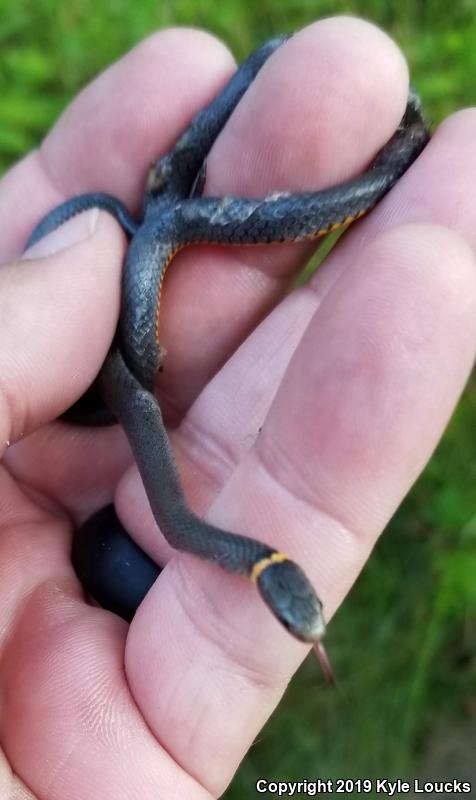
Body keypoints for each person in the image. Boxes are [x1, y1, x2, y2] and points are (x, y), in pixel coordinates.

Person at [0, 16, 475, 800]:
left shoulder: (194, 526)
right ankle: (185, 196)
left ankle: (224, 181)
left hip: (130, 310)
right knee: (152, 270)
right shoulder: (185, 520)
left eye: (295, 618)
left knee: (164, 240)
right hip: (110, 323)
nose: (299, 627)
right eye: (299, 617)